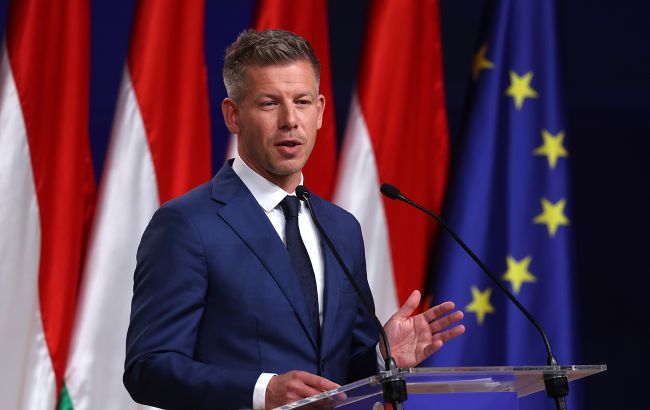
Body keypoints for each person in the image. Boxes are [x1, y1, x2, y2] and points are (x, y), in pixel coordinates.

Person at [123, 29, 465, 409]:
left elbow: (336, 371)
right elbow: (147, 368)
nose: (290, 120)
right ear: (233, 115)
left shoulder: (341, 228)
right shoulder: (186, 225)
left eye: (302, 102)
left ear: (319, 112)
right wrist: (262, 391)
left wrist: (381, 358)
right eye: (269, 103)